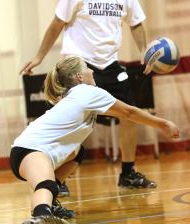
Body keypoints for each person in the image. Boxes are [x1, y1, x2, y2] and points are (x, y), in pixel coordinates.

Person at [14, 56, 179, 224]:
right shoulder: (86, 92)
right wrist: (162, 124)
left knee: (77, 151)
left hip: (30, 150)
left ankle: (49, 207)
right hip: (30, 149)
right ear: (79, 76)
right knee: (46, 184)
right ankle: (41, 217)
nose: (92, 71)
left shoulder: (74, 95)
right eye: (87, 68)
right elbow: (128, 112)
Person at [20, 0, 156, 194]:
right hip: (79, 64)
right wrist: (39, 57)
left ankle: (128, 172)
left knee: (129, 115)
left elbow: (135, 23)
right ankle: (58, 176)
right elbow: (57, 24)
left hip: (110, 63)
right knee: (69, 121)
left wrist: (143, 52)